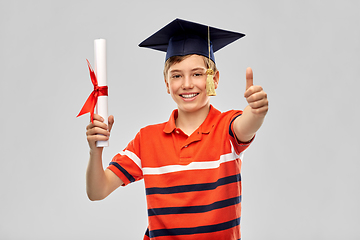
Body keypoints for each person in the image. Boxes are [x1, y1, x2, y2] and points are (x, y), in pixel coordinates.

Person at [85, 18, 268, 240]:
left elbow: (246, 125)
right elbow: (97, 191)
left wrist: (256, 111)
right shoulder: (147, 140)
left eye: (197, 74)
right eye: (177, 75)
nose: (187, 84)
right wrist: (96, 152)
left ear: (214, 79)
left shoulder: (227, 128)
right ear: (166, 82)